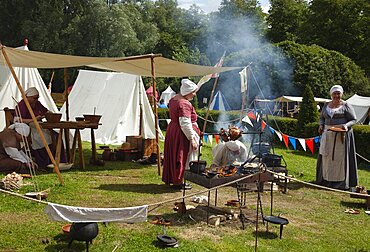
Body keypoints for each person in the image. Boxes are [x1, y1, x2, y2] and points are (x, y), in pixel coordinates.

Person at [316, 85, 358, 190]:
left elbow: (353, 119)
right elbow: (322, 118)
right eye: (334, 93)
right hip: (328, 135)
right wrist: (321, 125)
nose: (336, 96)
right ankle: (326, 180)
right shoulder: (326, 105)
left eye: (338, 93)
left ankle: (340, 183)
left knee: (339, 159)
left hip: (341, 136)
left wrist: (346, 126)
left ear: (341, 94)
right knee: (327, 158)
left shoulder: (346, 105)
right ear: (331, 94)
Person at [162, 79, 200, 189]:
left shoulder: (174, 99)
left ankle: (174, 179)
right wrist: (192, 138)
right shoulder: (184, 104)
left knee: (174, 154)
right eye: (193, 92)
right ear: (187, 92)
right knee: (181, 155)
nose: (194, 94)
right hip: (180, 132)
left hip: (173, 130)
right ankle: (178, 181)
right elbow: (185, 123)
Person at [14, 87, 55, 169]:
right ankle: (43, 163)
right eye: (34, 98)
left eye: (37, 97)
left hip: (39, 125)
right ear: (28, 97)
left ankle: (55, 160)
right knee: (41, 137)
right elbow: (17, 120)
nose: (36, 99)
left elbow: (46, 111)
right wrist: (34, 119)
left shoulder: (37, 103)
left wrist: (49, 114)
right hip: (29, 127)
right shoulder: (22, 105)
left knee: (55, 136)